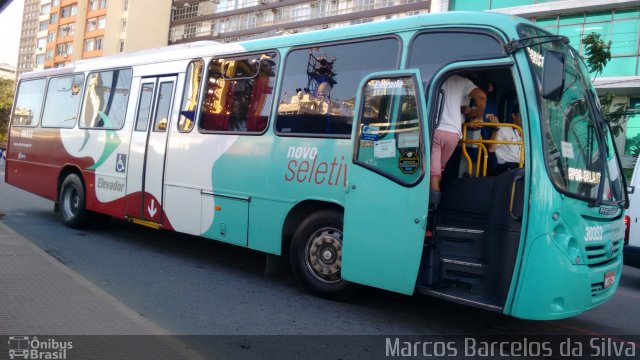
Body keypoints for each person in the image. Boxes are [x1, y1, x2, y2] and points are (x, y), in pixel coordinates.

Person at [430, 75, 486, 192]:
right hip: (453, 134)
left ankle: (431, 205)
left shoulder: (436, 76)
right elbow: (481, 96)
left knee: (433, 174)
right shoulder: (464, 81)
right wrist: (479, 118)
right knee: (438, 171)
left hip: (435, 130)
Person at [487, 103, 523, 175]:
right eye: (521, 115)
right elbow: (491, 149)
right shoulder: (503, 129)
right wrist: (495, 129)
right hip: (508, 168)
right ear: (514, 116)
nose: (524, 118)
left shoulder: (529, 133)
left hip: (526, 167)